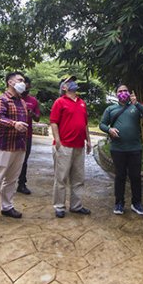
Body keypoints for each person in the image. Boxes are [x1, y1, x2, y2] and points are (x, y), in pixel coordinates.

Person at [0, 71, 30, 223]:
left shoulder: (22, 101)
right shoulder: (1, 99)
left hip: (19, 146)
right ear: (10, 82)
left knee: (12, 179)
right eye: (20, 80)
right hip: (4, 145)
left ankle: (7, 207)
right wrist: (14, 124)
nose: (24, 83)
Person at [100, 85, 143, 216]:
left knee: (135, 177)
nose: (122, 93)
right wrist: (109, 130)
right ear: (116, 94)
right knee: (120, 176)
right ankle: (119, 203)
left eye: (125, 91)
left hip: (135, 148)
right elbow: (102, 124)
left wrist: (137, 104)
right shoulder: (110, 109)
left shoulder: (135, 106)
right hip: (118, 148)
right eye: (120, 91)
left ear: (129, 93)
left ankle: (137, 203)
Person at [50, 75, 92, 218]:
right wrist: (57, 140)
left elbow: (85, 124)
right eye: (69, 82)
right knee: (61, 177)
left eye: (73, 81)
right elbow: (54, 122)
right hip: (64, 145)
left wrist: (89, 141)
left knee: (78, 178)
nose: (73, 83)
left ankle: (76, 206)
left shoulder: (82, 102)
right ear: (64, 87)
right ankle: (59, 206)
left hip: (79, 146)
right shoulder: (59, 102)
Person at [17, 76, 41, 195]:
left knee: (24, 160)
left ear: (29, 86)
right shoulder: (13, 98)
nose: (24, 86)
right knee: (10, 160)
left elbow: (37, 118)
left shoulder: (33, 101)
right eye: (22, 83)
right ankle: (7, 183)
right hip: (13, 134)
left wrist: (31, 113)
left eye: (26, 83)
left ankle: (21, 184)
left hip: (27, 135)